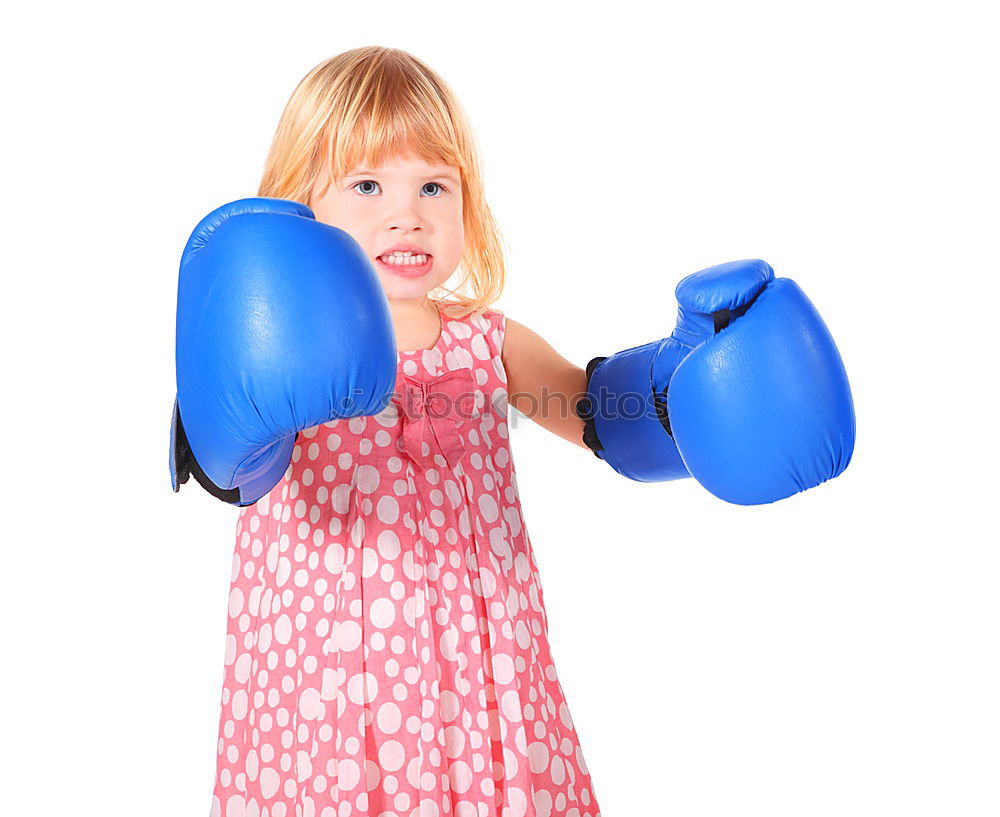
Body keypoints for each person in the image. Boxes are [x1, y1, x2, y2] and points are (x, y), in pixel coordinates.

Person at [207, 47, 603, 817]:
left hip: (481, 668)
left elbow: (593, 414)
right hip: (330, 679)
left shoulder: (488, 341)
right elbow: (230, 453)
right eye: (366, 185)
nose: (407, 213)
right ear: (300, 207)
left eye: (433, 184)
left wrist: (675, 394)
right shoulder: (285, 339)